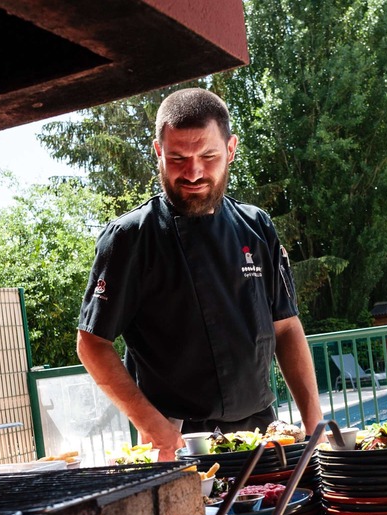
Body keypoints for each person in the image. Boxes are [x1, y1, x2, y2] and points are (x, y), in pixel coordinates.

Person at [76, 87, 323, 460]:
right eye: (177, 158)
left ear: (231, 149)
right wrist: (152, 426)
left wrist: (313, 422)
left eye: (208, 155)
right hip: (175, 439)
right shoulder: (130, 237)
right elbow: (92, 343)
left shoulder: (257, 227)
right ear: (158, 151)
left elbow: (286, 328)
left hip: (262, 434)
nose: (193, 172)